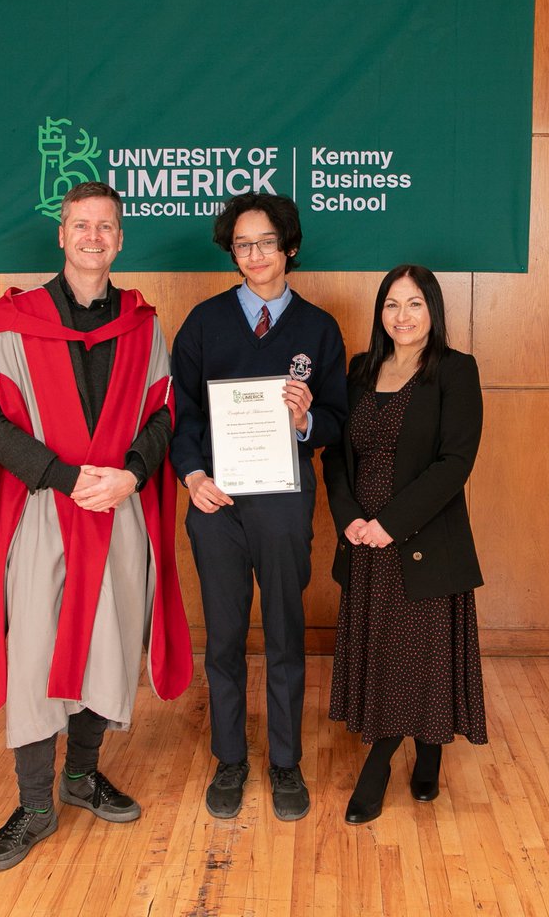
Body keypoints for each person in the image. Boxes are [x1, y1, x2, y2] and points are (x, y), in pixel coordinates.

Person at [0, 181, 192, 871]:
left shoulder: (141, 324)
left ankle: (82, 776)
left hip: (116, 509)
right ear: (61, 236)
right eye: (81, 225)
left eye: (106, 227)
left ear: (120, 240)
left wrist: (131, 474)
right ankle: (35, 806)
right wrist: (64, 477)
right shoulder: (12, 321)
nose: (93, 237)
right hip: (43, 513)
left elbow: (163, 414)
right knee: (35, 654)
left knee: (109, 647)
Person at [171, 192, 348, 822]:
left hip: (282, 503)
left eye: (266, 242)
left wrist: (304, 421)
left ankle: (284, 761)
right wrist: (192, 475)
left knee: (283, 634)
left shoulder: (319, 329)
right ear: (233, 251)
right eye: (243, 244)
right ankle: (229, 759)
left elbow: (337, 418)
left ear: (289, 247)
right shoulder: (204, 322)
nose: (255, 255)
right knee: (222, 638)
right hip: (215, 502)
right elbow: (181, 413)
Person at [321, 263, 487, 824]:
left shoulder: (456, 371)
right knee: (391, 654)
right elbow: (337, 457)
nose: (402, 316)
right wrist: (349, 518)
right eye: (392, 304)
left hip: (418, 538)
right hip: (363, 543)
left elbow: (454, 463)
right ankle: (429, 746)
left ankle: (380, 764)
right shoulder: (361, 369)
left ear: (433, 310)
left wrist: (390, 523)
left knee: (416, 654)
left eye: (414, 304)